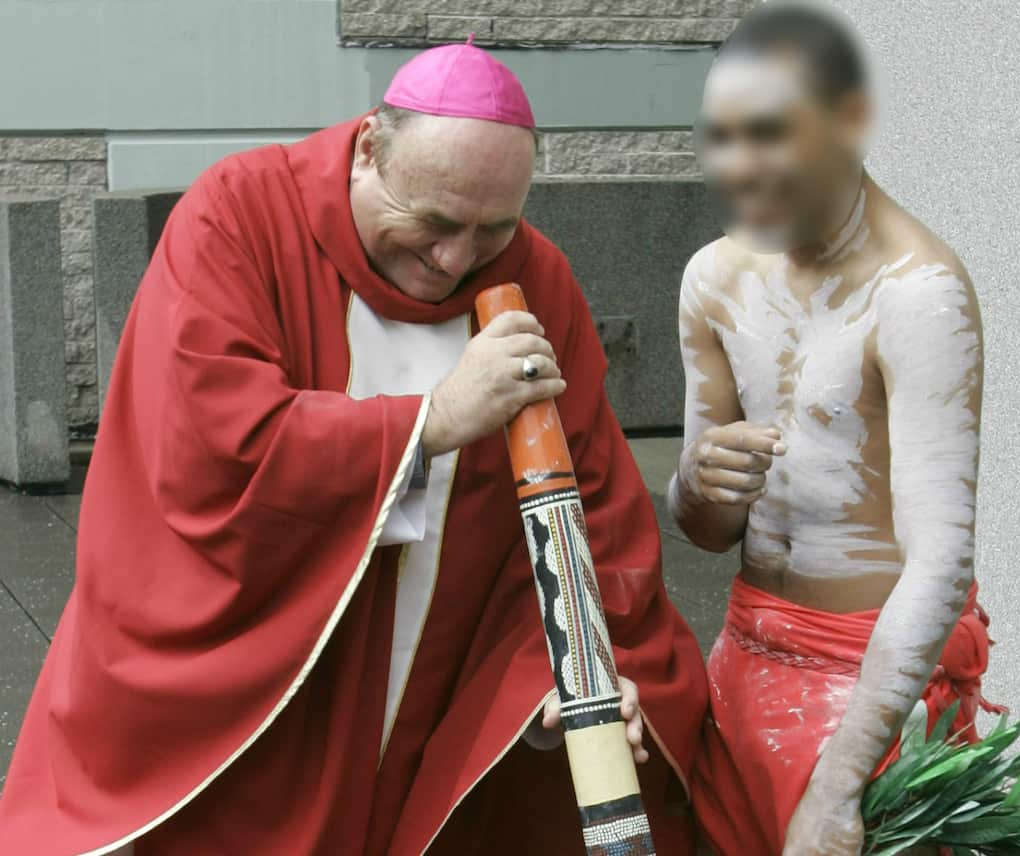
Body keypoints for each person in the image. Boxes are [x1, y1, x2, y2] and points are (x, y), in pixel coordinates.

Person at [0, 39, 706, 855]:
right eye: (434, 223)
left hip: (434, 678)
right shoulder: (241, 215)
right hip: (270, 683)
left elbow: (595, 513)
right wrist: (433, 419)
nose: (455, 261)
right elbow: (207, 444)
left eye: (491, 230)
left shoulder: (536, 278)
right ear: (370, 147)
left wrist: (570, 671)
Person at [667, 4, 1001, 855]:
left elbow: (941, 558)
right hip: (746, 650)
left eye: (770, 134)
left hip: (869, 683)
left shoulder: (919, 294)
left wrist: (841, 782)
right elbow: (704, 531)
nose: (739, 168)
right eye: (723, 137)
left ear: (850, 120)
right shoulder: (713, 276)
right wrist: (699, 480)